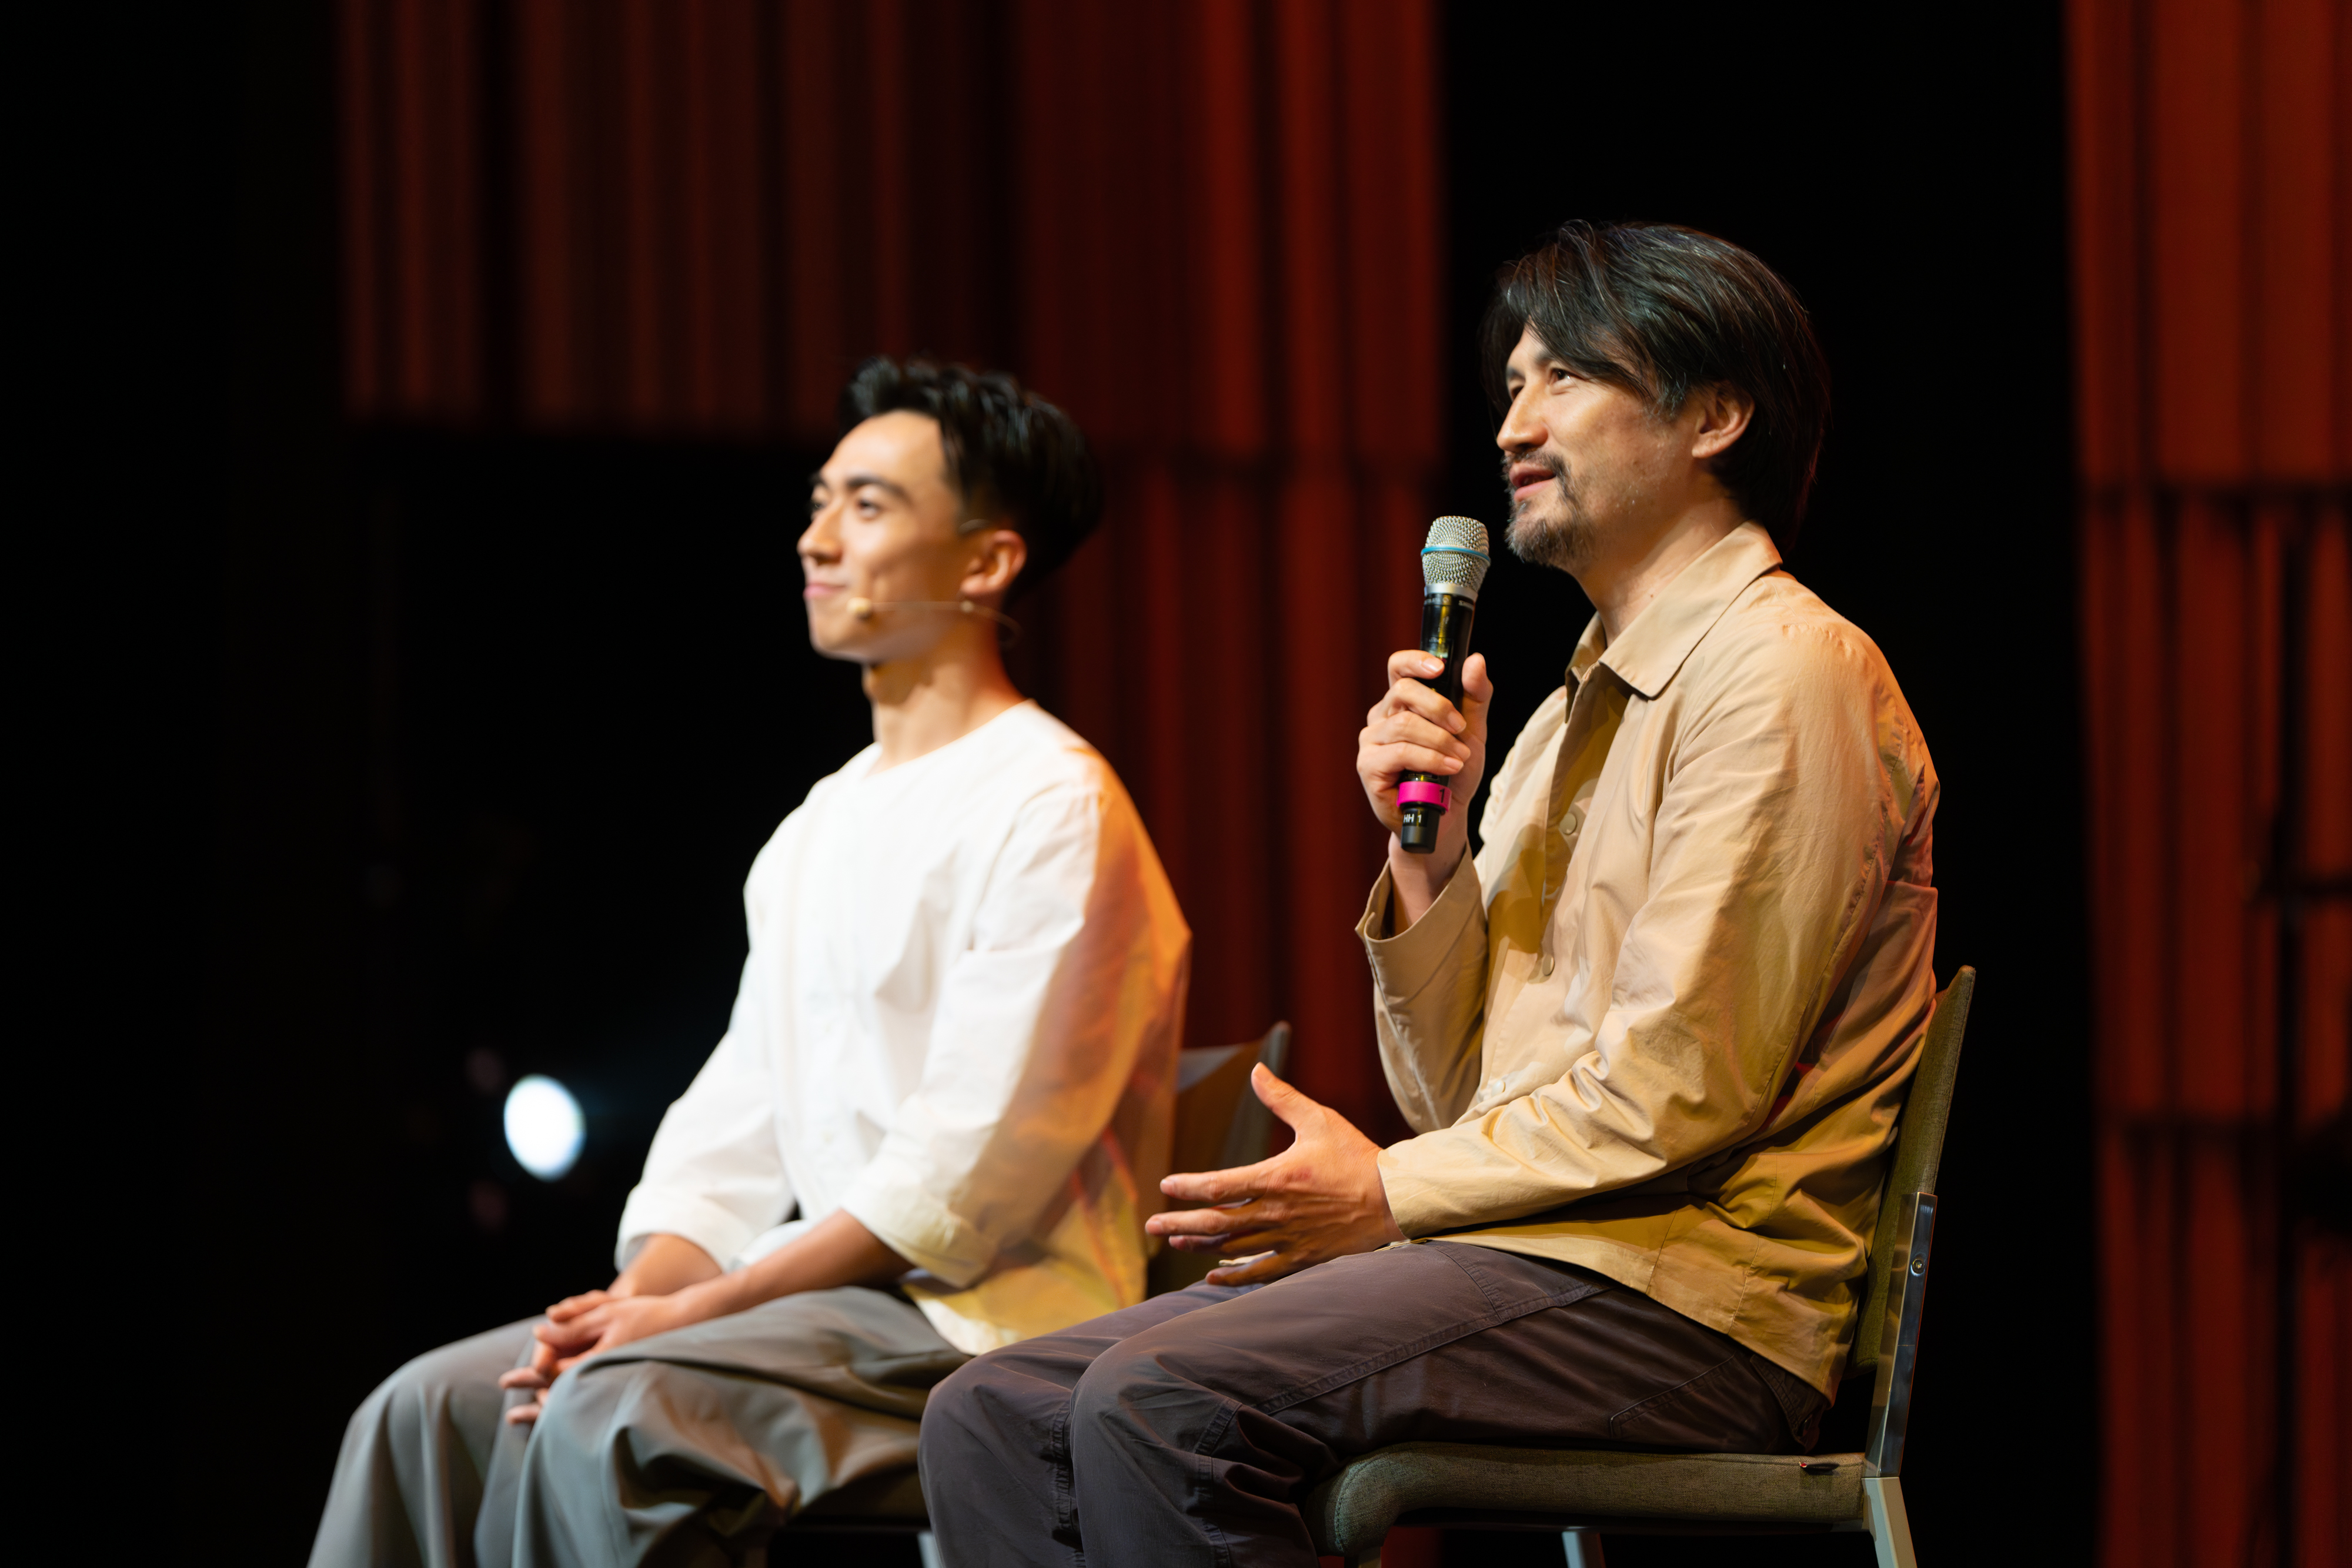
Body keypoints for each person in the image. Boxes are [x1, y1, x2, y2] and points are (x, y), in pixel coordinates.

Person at [917, 221, 1941, 1567]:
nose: (1514, 418)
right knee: (990, 1409)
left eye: (1566, 375)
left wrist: (1383, 1193)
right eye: (1507, 383)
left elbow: (1683, 1085)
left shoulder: (1782, 669)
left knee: (1162, 1402)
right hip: (1538, 1252)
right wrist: (1431, 856)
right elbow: (1457, 1090)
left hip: (1687, 1290)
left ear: (1713, 414)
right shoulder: (1567, 708)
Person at [309, 358, 1191, 1568]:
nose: (816, 537)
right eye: (822, 499)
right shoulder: (816, 826)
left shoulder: (1054, 804)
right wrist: (642, 1297)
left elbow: (961, 1172)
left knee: (616, 1410)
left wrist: (698, 1311)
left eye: (868, 506)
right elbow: (730, 1131)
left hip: (979, 1321)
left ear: (986, 562)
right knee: (422, 1409)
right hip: (813, 1308)